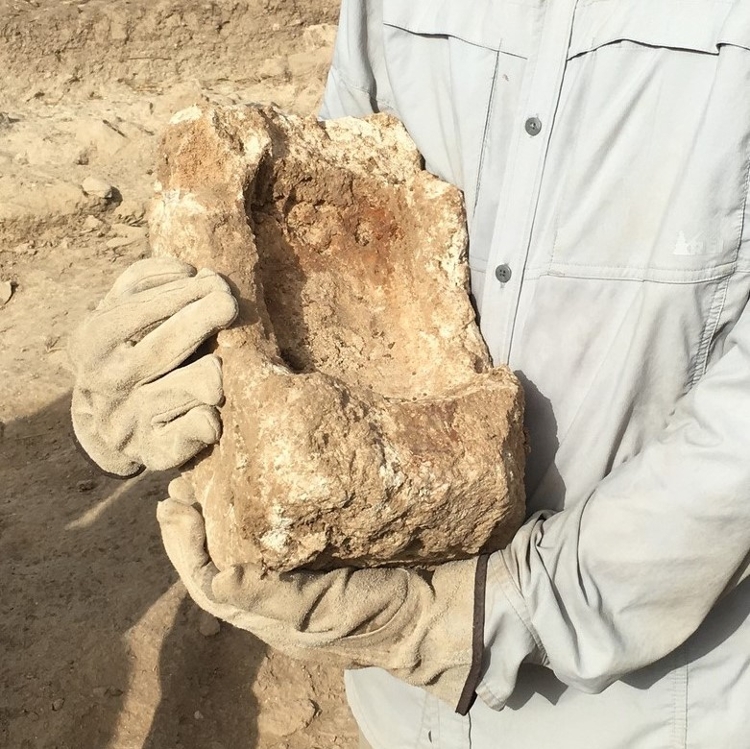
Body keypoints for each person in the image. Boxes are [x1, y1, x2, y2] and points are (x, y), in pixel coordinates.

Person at [70, 1, 750, 746]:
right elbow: (332, 203)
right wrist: (176, 379)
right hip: (402, 715)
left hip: (639, 712)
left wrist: (475, 616)